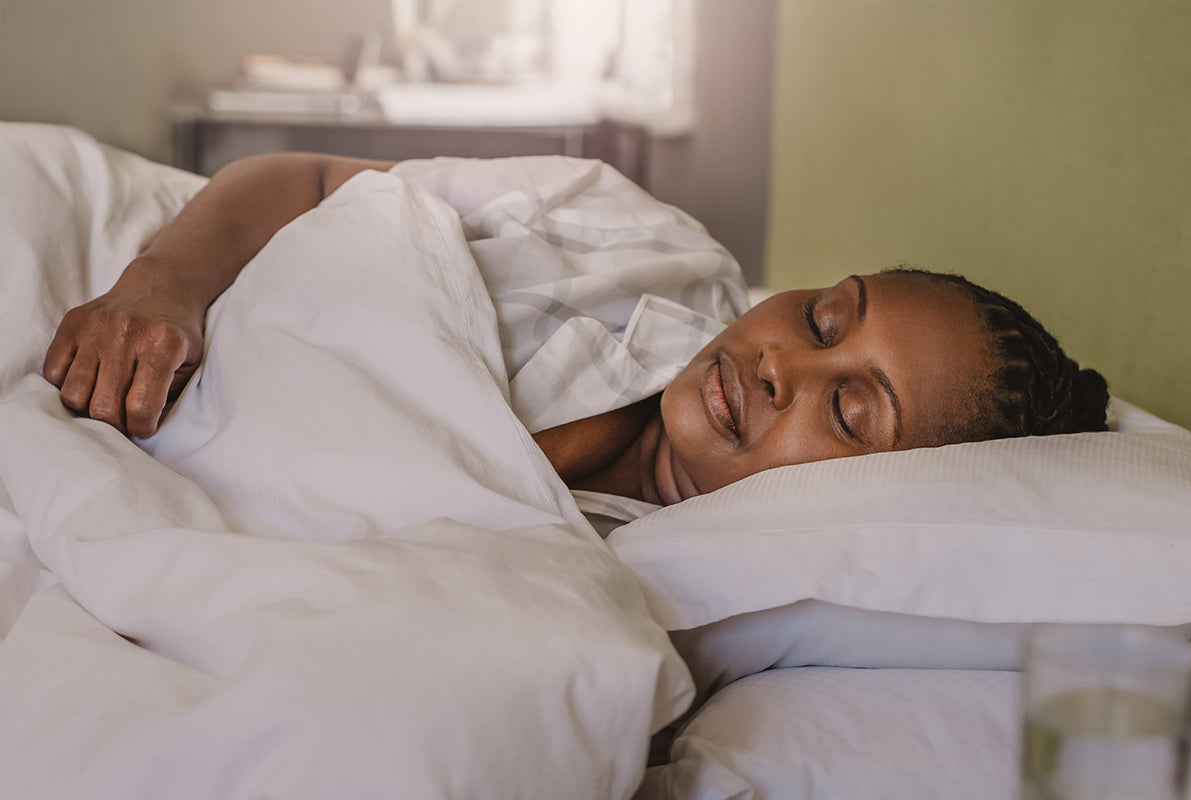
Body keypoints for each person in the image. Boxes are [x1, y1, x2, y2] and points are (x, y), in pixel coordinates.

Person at [41, 153, 1109, 508]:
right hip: (107, 281)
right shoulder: (643, 238)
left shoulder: (662, 598)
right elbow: (305, 178)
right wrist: (164, 286)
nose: (784, 359)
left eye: (848, 405)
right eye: (827, 315)